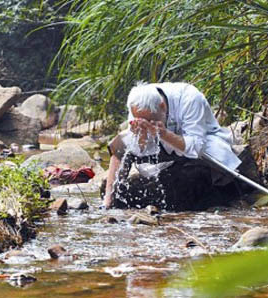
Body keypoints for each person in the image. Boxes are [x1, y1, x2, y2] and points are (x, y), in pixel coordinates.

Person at [102, 82, 245, 210]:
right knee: (121, 144)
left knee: (198, 177)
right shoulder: (138, 102)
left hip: (201, 142)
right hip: (164, 147)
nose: (144, 122)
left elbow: (196, 146)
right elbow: (135, 148)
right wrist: (142, 136)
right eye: (140, 119)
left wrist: (164, 134)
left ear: (162, 106)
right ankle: (108, 201)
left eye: (150, 120)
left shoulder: (189, 98)